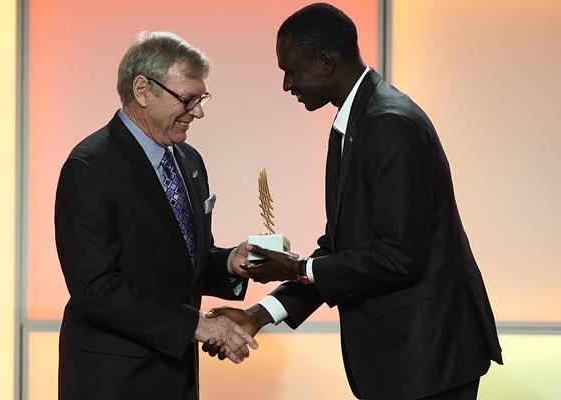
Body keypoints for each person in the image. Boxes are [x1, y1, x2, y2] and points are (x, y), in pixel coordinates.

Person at [204, 3, 503, 399]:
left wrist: (296, 267)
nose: (286, 85)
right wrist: (259, 314)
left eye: (290, 71)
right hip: (404, 361)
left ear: (326, 63)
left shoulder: (390, 124)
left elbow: (400, 256)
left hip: (428, 359)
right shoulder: (352, 123)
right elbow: (341, 248)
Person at [54, 31, 258, 400]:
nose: (198, 111)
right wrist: (195, 325)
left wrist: (229, 263)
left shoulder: (189, 161)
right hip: (115, 380)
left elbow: (179, 264)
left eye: (202, 98)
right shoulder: (90, 166)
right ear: (142, 90)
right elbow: (95, 287)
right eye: (188, 99)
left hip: (176, 375)